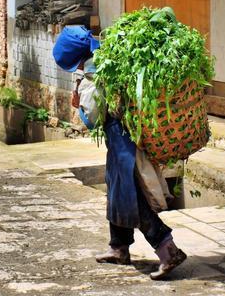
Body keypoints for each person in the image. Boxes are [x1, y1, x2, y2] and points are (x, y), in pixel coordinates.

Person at [53, 25, 187, 280]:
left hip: (122, 142)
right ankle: (119, 248)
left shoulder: (93, 75)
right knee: (116, 189)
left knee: (130, 196)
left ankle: (169, 251)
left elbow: (92, 119)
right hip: (127, 137)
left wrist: (78, 106)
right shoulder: (108, 60)